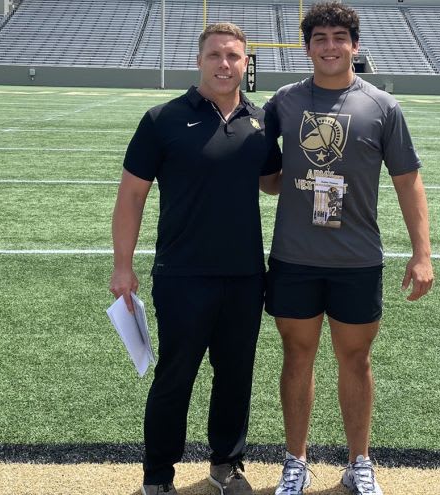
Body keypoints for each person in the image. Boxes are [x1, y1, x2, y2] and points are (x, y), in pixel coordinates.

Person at [262, 3, 434, 494]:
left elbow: (408, 181)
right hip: (294, 256)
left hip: (357, 258)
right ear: (308, 46)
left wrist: (422, 253)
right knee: (296, 356)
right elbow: (264, 174)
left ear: (355, 46)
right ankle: (296, 460)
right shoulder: (285, 102)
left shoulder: (381, 105)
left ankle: (360, 461)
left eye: (340, 37)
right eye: (320, 37)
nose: (331, 46)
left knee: (355, 360)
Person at [109, 22, 281, 495]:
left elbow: (272, 179)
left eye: (234, 57)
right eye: (215, 55)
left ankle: (226, 465)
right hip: (182, 274)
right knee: (175, 378)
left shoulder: (260, 120)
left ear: (246, 63)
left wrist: (324, 168)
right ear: (200, 59)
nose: (224, 64)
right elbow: (131, 197)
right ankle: (158, 477)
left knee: (235, 378)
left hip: (246, 275)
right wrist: (123, 266)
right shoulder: (162, 118)